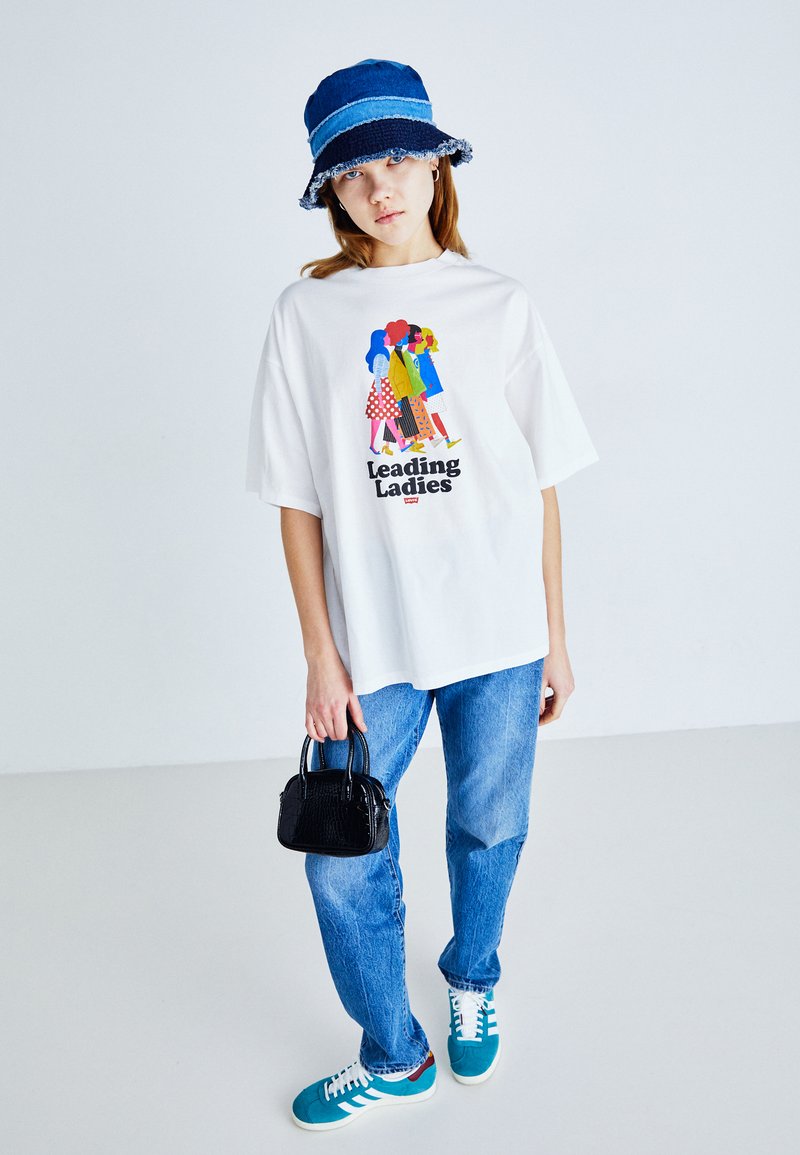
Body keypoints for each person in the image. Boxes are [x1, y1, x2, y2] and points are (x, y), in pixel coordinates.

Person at [245, 57, 600, 1131]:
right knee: (340, 855)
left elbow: (537, 486)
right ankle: (393, 1054)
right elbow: (296, 501)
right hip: (373, 646)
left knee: (490, 826)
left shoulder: (499, 305)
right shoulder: (305, 316)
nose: (380, 186)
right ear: (331, 192)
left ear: (437, 167)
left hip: (499, 629)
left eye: (399, 158)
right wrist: (320, 656)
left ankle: (472, 975)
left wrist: (555, 635)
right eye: (354, 172)